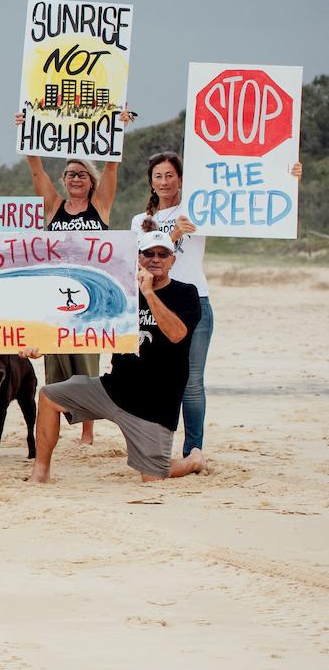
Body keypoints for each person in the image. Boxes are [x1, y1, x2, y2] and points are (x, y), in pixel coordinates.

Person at [144, 151, 298, 456]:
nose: (164, 181)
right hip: (156, 304)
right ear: (150, 181)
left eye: (170, 175)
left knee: (192, 381)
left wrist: (287, 176)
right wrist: (173, 233)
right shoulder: (143, 220)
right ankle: (155, 448)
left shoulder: (200, 208)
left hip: (195, 299)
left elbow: (245, 192)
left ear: (181, 179)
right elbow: (148, 256)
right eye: (158, 176)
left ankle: (193, 450)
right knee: (157, 378)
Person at [32, 229, 207, 483]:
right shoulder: (120, 291)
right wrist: (40, 344)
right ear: (137, 257)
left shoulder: (186, 293)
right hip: (113, 388)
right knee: (49, 396)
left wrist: (148, 293)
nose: (155, 259)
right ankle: (40, 473)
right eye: (148, 254)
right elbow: (79, 327)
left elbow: (177, 334)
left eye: (162, 254)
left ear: (172, 260)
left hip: (154, 404)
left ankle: (193, 461)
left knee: (153, 477)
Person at [22, 119, 124, 443]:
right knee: (56, 359)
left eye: (81, 174)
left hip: (93, 298)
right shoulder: (54, 207)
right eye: (70, 174)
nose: (75, 178)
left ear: (90, 180)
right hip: (57, 295)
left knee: (87, 360)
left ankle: (88, 430)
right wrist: (28, 132)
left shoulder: (100, 206)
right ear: (63, 180)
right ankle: (57, 415)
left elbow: (111, 169)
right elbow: (37, 173)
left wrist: (117, 129)